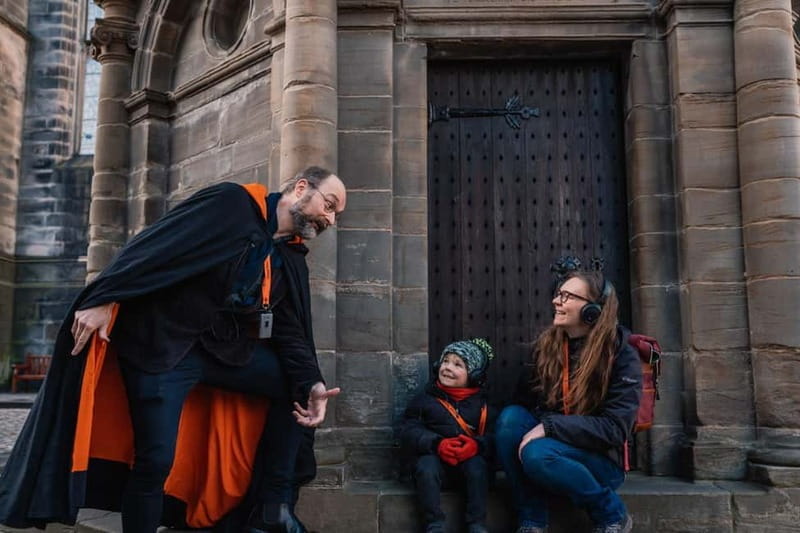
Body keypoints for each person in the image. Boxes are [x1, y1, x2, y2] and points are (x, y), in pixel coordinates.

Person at [0, 167, 346, 533]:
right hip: (163, 351)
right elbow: (154, 245)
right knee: (155, 460)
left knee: (293, 388)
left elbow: (291, 332)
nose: (331, 218)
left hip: (223, 354)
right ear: (302, 188)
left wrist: (312, 384)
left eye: (336, 214)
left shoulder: (290, 257)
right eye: (330, 205)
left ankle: (272, 507)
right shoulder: (231, 203)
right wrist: (106, 296)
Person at [494, 270, 642, 533]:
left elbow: (615, 428)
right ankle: (532, 520)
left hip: (600, 462)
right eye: (558, 294)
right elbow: (522, 405)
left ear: (592, 311)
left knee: (537, 454)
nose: (556, 301)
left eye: (567, 296)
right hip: (553, 448)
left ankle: (611, 514)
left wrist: (549, 427)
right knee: (510, 419)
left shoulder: (621, 356)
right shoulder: (547, 347)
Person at [400, 338, 496, 533]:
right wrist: (436, 444)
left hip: (468, 468)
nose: (447, 368)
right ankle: (434, 524)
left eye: (458, 364)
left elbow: (495, 438)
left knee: (478, 466)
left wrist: (477, 445)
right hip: (436, 467)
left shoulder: (484, 406)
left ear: (475, 375)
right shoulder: (425, 400)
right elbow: (409, 430)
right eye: (445, 361)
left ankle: (476, 524)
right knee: (426, 466)